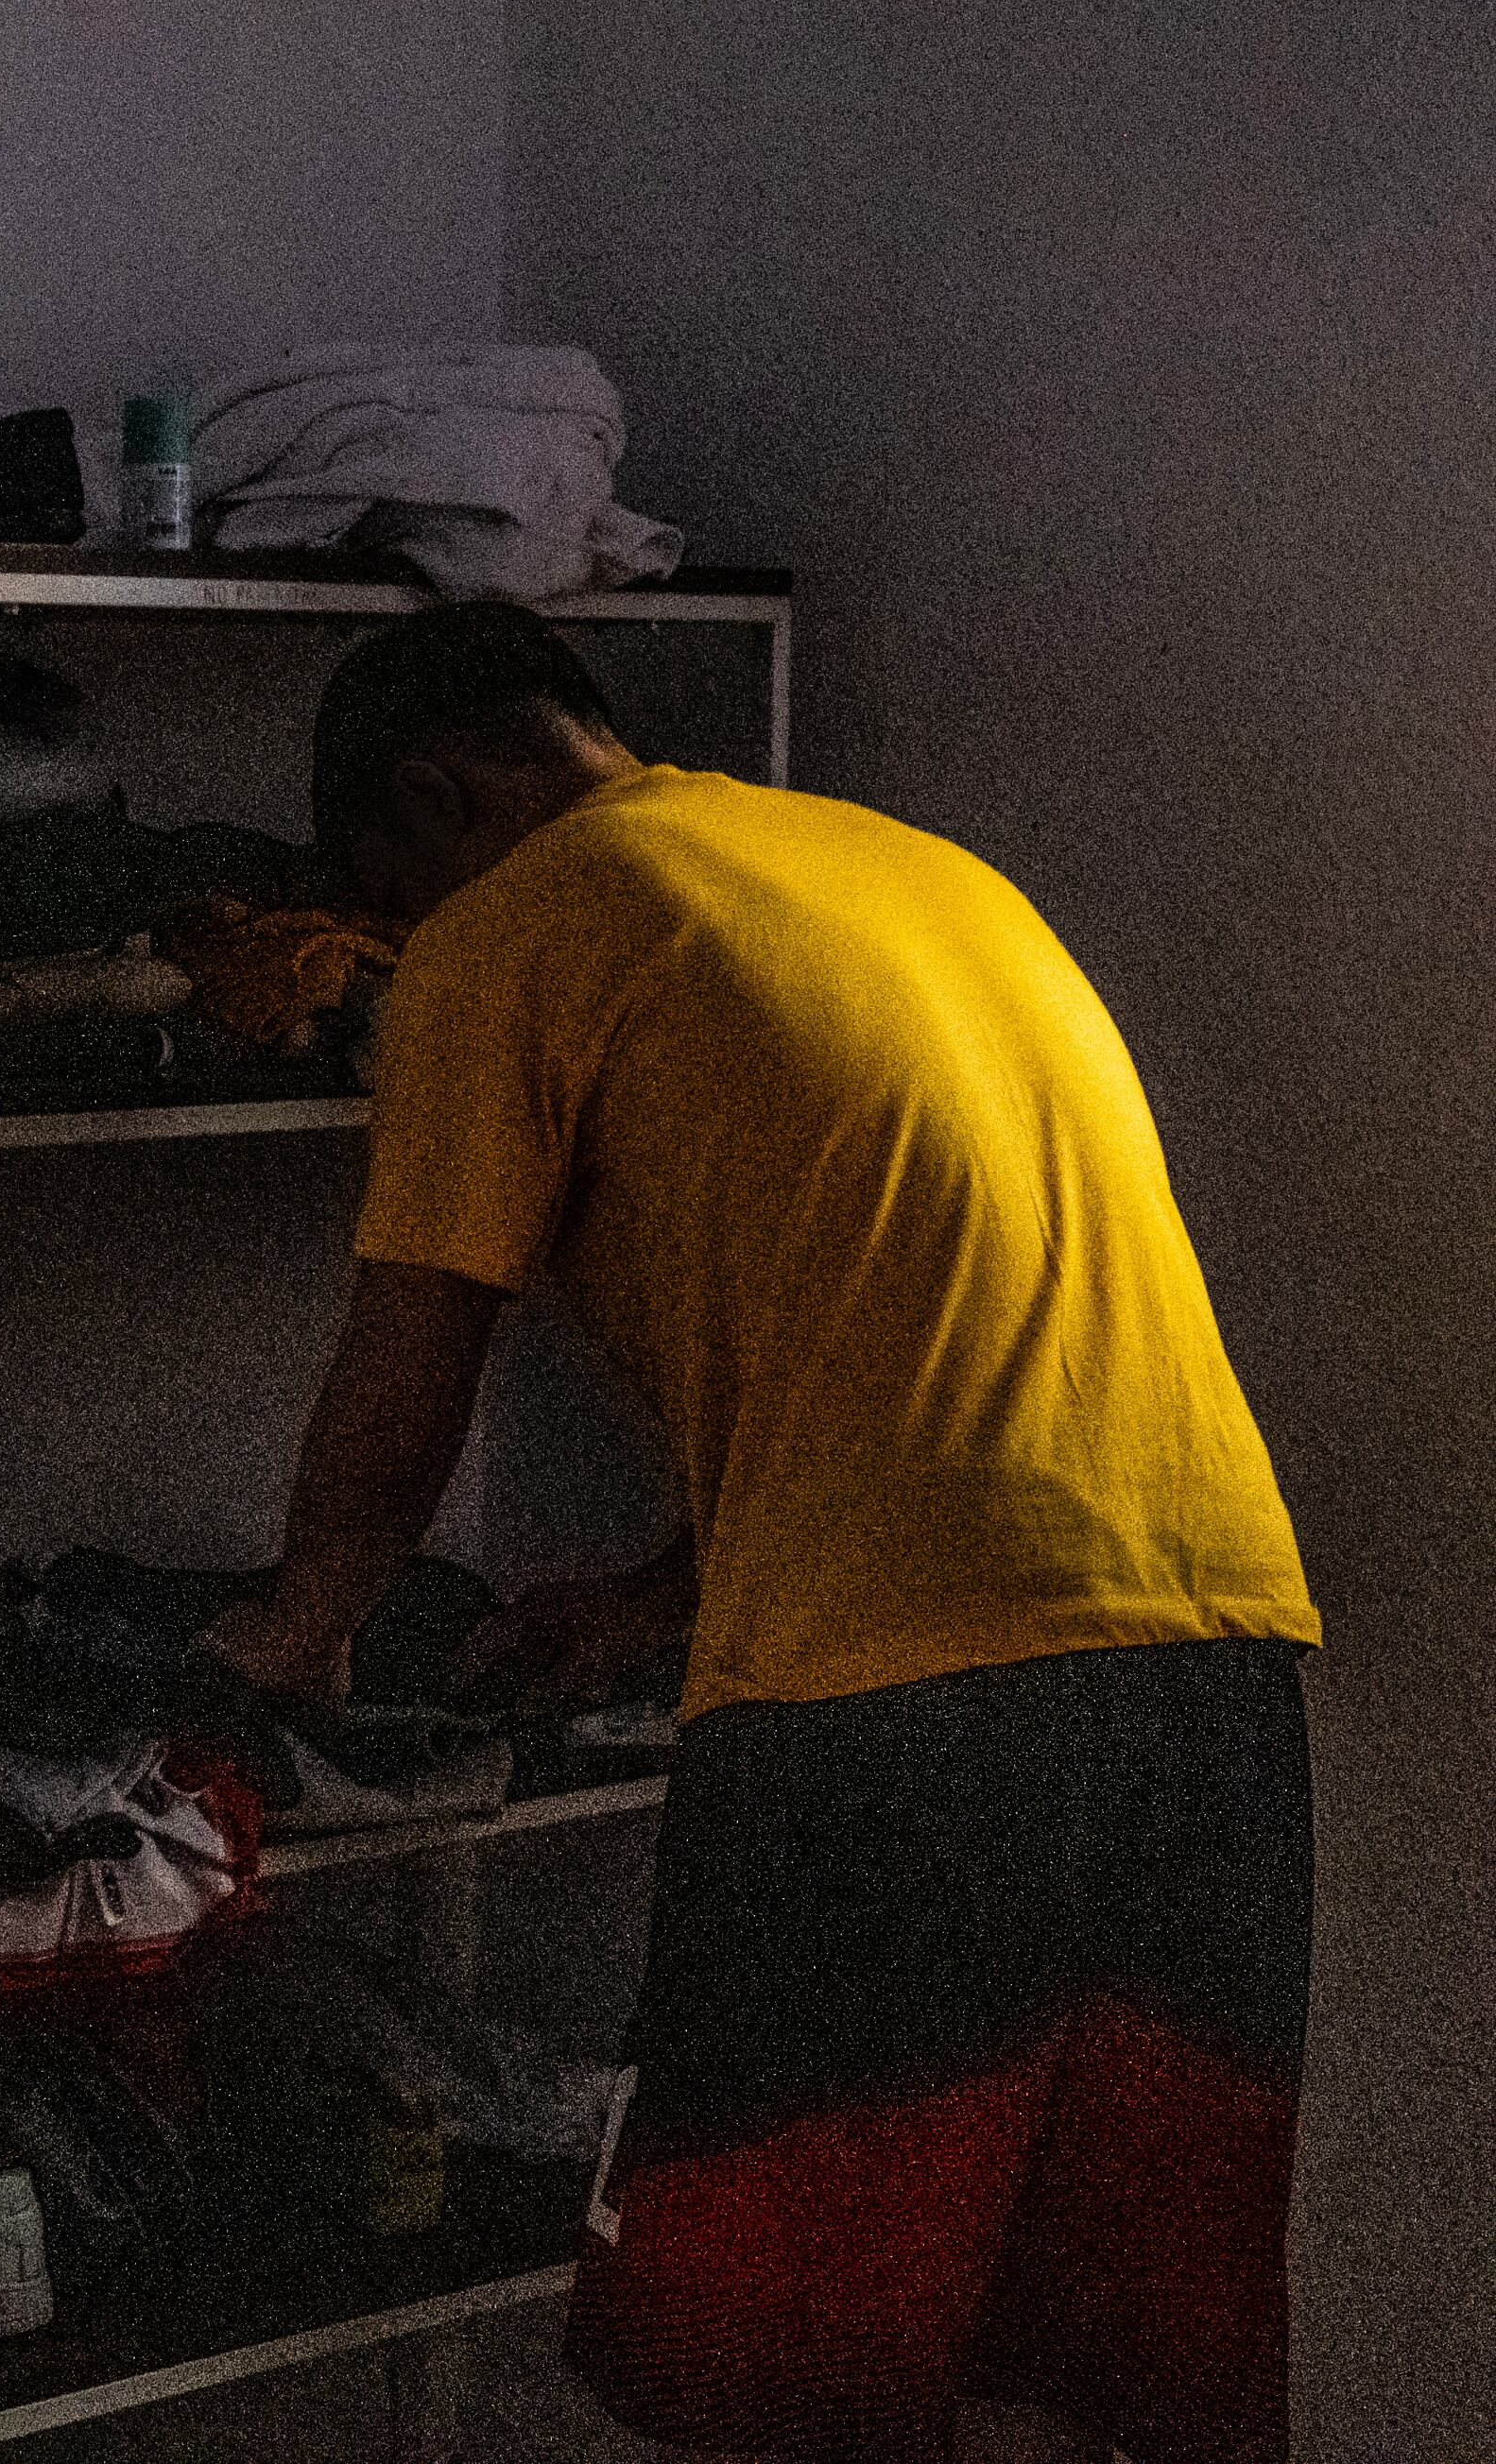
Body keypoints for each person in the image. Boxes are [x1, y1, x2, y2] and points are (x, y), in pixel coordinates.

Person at [198, 603, 1318, 2464]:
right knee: (1116, 2379)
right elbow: (944, 1345)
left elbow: (410, 1348)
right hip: (1211, 1679)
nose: (395, 961)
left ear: (436, 793)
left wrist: (294, 1627)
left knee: (771, 2382)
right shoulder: (905, 870)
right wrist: (653, 1598)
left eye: (383, 904)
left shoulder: (509, 927)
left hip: (896, 1730)